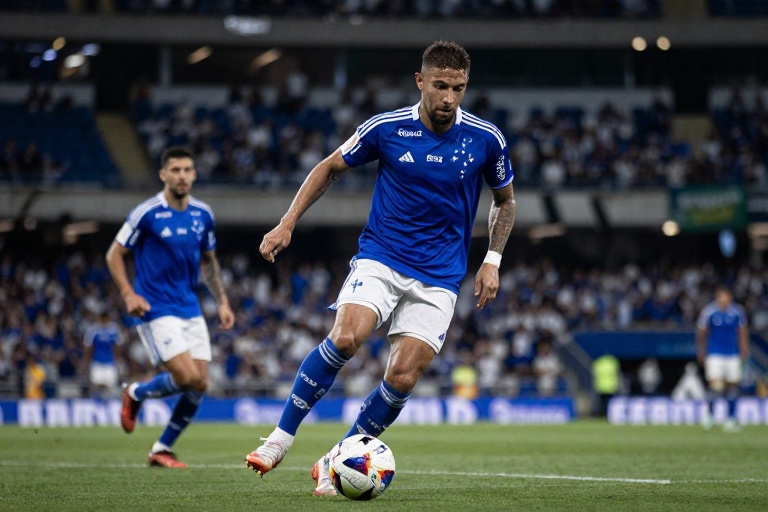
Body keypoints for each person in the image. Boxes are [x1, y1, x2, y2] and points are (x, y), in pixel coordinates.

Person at [245, 40, 516, 496]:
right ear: (420, 82)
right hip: (382, 258)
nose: (449, 97)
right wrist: (287, 222)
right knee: (347, 337)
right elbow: (329, 167)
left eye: (458, 88)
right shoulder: (386, 128)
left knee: (402, 376)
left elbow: (505, 203)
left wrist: (492, 259)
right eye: (440, 86)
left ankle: (339, 458)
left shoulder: (486, 139)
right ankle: (280, 438)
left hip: (441, 276)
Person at [106, 146, 234, 468]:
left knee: (202, 383)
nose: (182, 176)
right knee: (188, 377)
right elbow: (114, 254)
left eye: (187, 170)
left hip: (190, 308)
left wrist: (222, 301)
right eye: (175, 170)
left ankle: (162, 448)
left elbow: (209, 261)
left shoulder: (203, 214)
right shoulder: (146, 213)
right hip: (155, 308)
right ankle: (135, 393)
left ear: (194, 174)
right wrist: (128, 295)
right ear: (163, 175)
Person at [696, 286, 749, 432]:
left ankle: (731, 419)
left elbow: (742, 332)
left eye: (726, 297)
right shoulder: (709, 312)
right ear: (717, 297)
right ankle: (709, 415)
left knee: (732, 387)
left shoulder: (737, 312)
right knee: (716, 386)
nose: (724, 300)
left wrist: (744, 350)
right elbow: (701, 332)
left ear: (730, 298)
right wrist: (701, 351)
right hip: (715, 353)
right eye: (721, 297)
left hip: (732, 354)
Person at [82, 311, 124, 398]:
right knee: (96, 386)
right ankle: (96, 404)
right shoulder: (93, 330)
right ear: (99, 319)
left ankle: (110, 407)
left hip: (110, 362)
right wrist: (86, 362)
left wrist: (117, 360)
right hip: (97, 362)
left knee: (111, 387)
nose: (104, 322)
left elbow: (118, 346)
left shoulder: (114, 329)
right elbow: (88, 347)